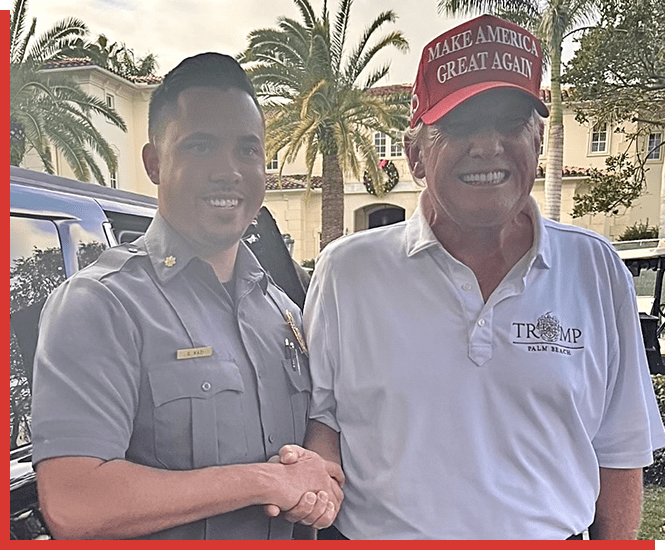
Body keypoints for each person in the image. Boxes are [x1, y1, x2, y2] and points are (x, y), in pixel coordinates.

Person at [301, 15, 665, 540]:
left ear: (538, 142)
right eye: (462, 125)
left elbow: (620, 450)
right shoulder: (347, 271)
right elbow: (323, 421)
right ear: (414, 154)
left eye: (510, 122)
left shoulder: (595, 268)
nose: (488, 146)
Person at [31, 53, 342, 540]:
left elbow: (323, 431)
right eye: (201, 147)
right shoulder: (100, 306)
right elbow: (74, 501)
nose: (229, 171)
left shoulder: (284, 313)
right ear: (154, 163)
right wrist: (264, 481)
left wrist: (320, 476)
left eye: (247, 150)